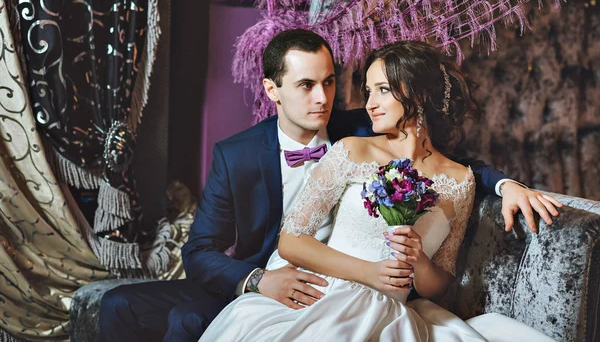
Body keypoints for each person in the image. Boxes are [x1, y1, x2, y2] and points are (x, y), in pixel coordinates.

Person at [99, 30, 561, 342]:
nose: (324, 99)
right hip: (280, 281)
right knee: (126, 305)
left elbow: (453, 172)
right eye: (305, 85)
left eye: (330, 83)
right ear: (272, 89)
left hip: (380, 304)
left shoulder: (362, 129)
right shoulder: (243, 154)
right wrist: (259, 280)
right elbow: (204, 250)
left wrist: (506, 185)